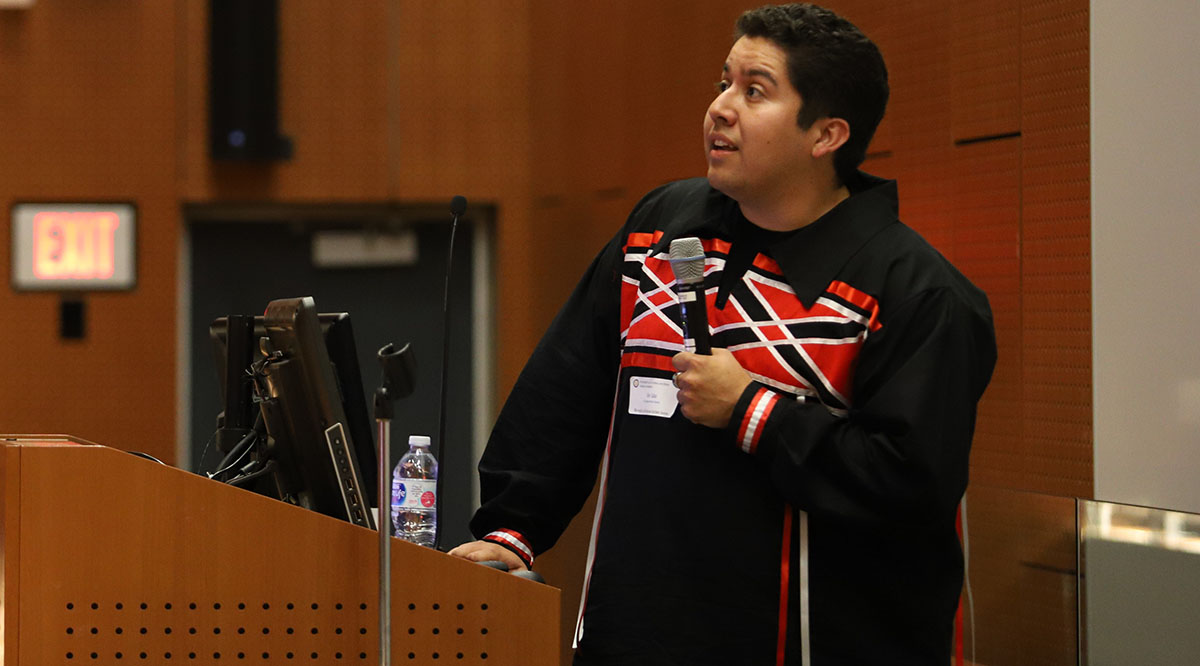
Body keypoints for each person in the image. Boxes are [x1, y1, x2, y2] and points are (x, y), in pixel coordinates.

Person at [450, 4, 997, 664]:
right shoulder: (660, 228)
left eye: (755, 90)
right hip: (635, 638)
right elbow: (567, 386)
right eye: (723, 83)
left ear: (825, 136)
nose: (721, 108)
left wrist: (752, 410)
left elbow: (910, 486)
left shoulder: (914, 292)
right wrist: (513, 527)